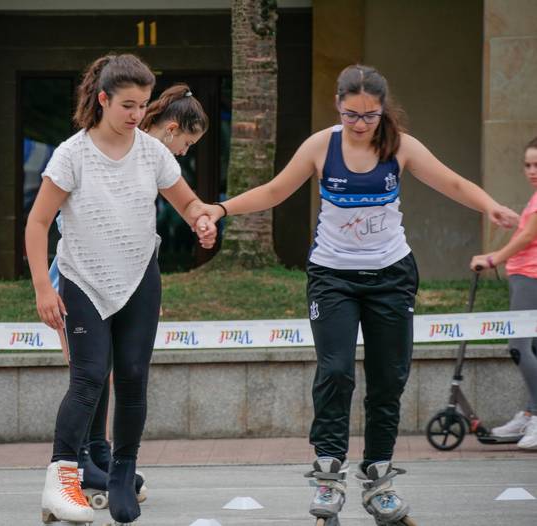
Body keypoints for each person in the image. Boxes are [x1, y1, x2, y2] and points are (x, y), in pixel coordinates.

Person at [194, 64, 518, 525]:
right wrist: (220, 209)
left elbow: (451, 182)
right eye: (351, 115)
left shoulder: (399, 145)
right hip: (333, 277)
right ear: (338, 107)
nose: (361, 124)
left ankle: (379, 480)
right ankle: (328, 475)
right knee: (335, 370)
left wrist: (490, 206)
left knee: (389, 378)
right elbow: (275, 190)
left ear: (383, 110)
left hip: (391, 275)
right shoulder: (321, 146)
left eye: (369, 115)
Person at [26, 55, 215, 525]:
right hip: (83, 280)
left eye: (143, 105)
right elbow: (38, 222)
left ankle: (122, 471)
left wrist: (202, 219)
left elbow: (187, 202)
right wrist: (43, 289)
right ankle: (61, 480)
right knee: (89, 378)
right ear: (103, 99)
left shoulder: (153, 153)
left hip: (139, 280)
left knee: (132, 377)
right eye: (128, 105)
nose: (136, 114)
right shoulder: (72, 154)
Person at [470, 136, 537, 450]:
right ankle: (530, 412)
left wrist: (492, 259)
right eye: (527, 165)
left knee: (518, 347)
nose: (532, 171)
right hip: (524, 276)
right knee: (531, 347)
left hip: (530, 276)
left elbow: (528, 237)